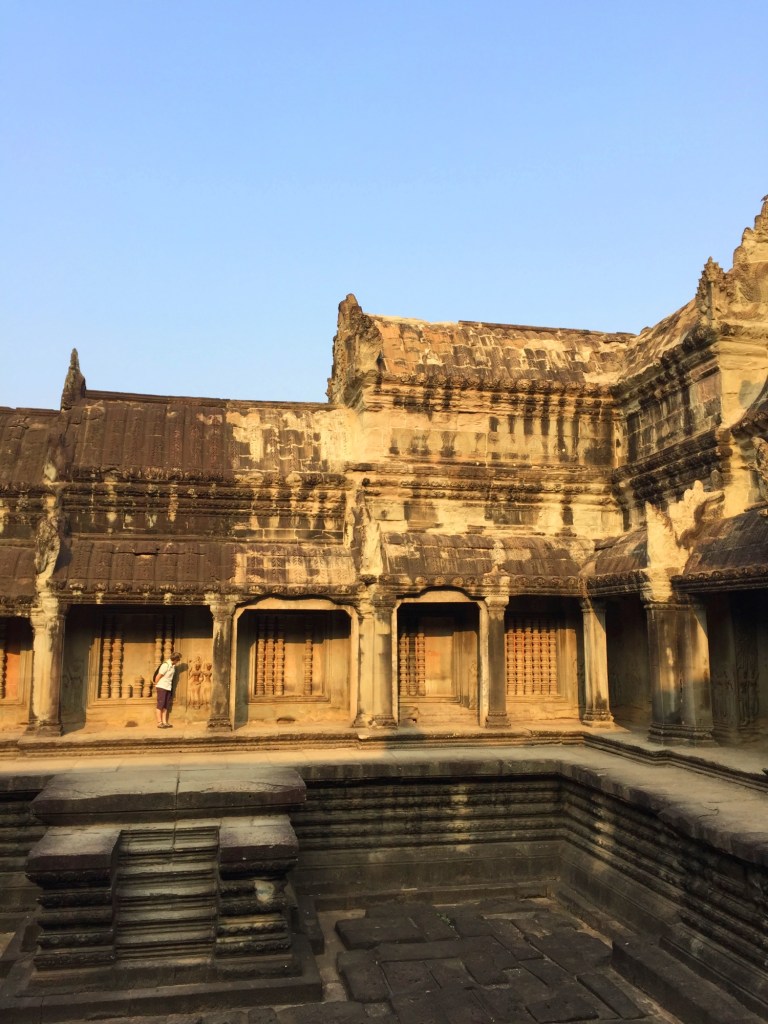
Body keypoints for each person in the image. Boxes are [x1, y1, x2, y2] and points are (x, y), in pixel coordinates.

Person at [154, 652, 181, 728]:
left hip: (168, 687)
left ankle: (164, 722)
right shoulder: (166, 665)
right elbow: (158, 676)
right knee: (160, 704)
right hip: (162, 687)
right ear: (175, 659)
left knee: (166, 705)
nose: (178, 662)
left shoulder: (172, 666)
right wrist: (156, 685)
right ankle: (159, 722)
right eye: (178, 660)